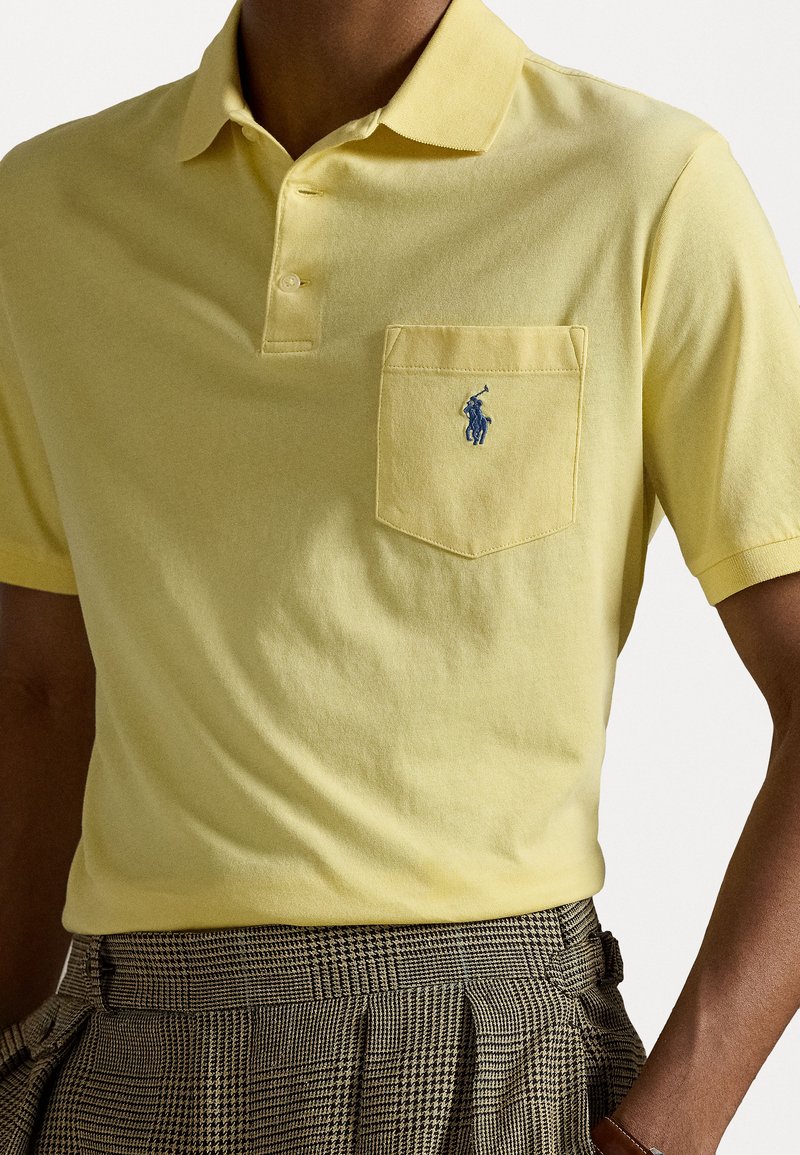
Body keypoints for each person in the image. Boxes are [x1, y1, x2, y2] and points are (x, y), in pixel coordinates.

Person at [1, 0, 799, 1151]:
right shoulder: (47, 211)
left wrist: (660, 1136)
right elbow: (36, 691)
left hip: (488, 1064)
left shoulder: (643, 186)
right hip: (123, 1065)